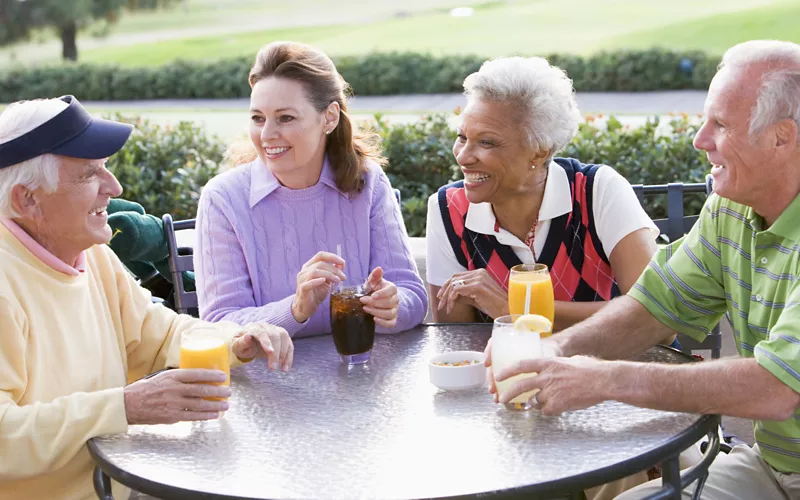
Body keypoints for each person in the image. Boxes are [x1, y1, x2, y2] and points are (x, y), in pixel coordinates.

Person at [489, 40, 800, 500]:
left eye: (721, 125)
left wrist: (603, 379)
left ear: (782, 136)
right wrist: (554, 353)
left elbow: (775, 388)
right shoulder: (731, 209)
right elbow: (652, 308)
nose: (700, 140)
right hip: (775, 467)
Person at [0, 96, 293, 500]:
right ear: (26, 199)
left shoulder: (92, 254)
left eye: (106, 168)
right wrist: (125, 406)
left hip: (119, 484)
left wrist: (236, 341)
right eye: (89, 174)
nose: (114, 188)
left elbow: (160, 331)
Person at [194, 41, 427, 336]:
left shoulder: (368, 182)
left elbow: (413, 297)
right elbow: (220, 323)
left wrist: (394, 304)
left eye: (286, 118)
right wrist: (295, 309)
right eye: (257, 118)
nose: (266, 134)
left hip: (363, 372)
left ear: (329, 117)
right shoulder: (222, 199)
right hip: (268, 379)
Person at [426, 56, 661, 333]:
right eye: (462, 137)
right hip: (513, 373)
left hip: (610, 370)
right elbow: (455, 343)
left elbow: (656, 315)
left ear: (539, 151)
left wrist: (515, 310)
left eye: (486, 142)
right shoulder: (448, 209)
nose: (463, 157)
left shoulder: (597, 190)